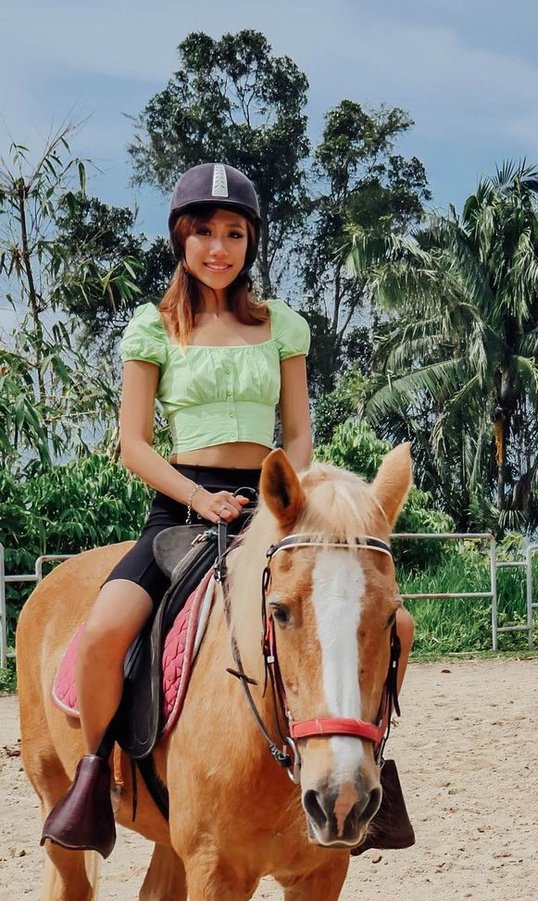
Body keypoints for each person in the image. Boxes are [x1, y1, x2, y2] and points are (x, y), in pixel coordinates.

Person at [41, 162, 415, 855]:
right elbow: (132, 443)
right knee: (100, 635)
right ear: (181, 239)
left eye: (235, 234)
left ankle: (373, 761)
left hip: (271, 503)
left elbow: (298, 432)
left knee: (393, 622)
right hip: (180, 510)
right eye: (205, 232)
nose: (220, 247)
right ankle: (95, 775)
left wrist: (289, 501)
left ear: (252, 243)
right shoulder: (151, 330)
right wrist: (197, 496)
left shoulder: (283, 326)